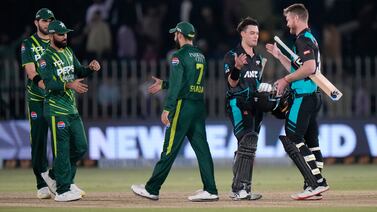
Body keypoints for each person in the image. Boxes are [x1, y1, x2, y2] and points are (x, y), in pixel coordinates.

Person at [131, 21, 219, 202]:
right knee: (202, 149)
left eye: (175, 34)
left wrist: (167, 108)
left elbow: (179, 85)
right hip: (198, 106)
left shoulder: (178, 56)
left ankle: (152, 188)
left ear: (180, 34)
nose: (173, 37)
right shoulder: (200, 56)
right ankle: (210, 189)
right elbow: (189, 83)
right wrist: (164, 84)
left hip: (183, 106)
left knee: (169, 148)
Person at [265, 3, 329, 200]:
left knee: (293, 136)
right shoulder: (308, 39)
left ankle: (315, 182)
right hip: (313, 95)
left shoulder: (303, 39)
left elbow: (309, 68)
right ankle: (317, 184)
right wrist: (280, 56)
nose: (286, 23)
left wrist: (285, 80)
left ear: (296, 18)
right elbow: (298, 69)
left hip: (304, 96)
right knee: (312, 141)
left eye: (288, 19)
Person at [38, 20, 101, 202]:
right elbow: (48, 84)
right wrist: (69, 84)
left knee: (81, 147)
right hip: (56, 109)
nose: (64, 37)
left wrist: (90, 69)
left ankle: (55, 175)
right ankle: (63, 189)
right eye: (60, 34)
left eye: (66, 34)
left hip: (71, 108)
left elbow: (78, 71)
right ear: (51, 36)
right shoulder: (45, 58)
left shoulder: (68, 51)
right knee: (62, 150)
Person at [223, 17, 271, 200]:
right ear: (242, 34)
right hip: (237, 103)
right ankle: (238, 189)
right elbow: (232, 82)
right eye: (252, 33)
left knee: (249, 146)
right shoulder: (232, 55)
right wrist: (236, 67)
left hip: (255, 105)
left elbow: (256, 84)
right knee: (248, 140)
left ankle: (245, 188)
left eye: (257, 33)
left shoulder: (258, 59)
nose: (255, 36)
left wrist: (265, 88)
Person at [20, 8, 55, 199]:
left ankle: (60, 179)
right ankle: (41, 184)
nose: (47, 23)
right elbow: (31, 71)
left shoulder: (56, 41)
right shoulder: (28, 44)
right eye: (44, 20)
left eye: (50, 20)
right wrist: (44, 85)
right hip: (36, 99)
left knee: (62, 141)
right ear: (36, 22)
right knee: (39, 141)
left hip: (56, 99)